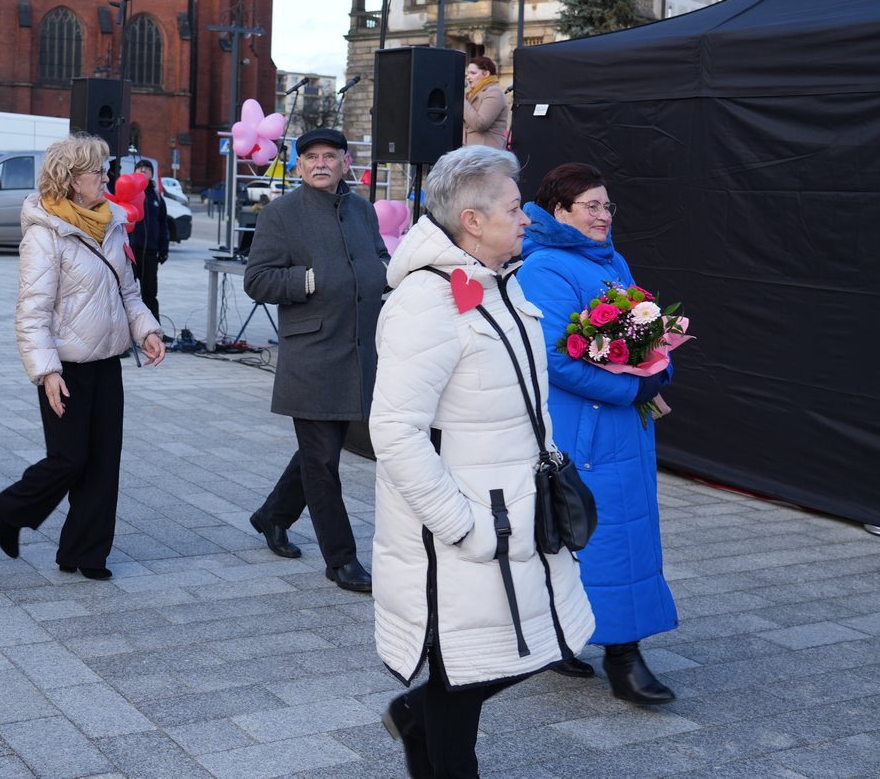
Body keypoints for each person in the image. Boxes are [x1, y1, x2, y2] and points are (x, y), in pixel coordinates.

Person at [372, 146, 595, 779]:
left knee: (520, 649)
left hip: (515, 515)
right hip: (470, 529)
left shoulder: (498, 281)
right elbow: (394, 431)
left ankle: (416, 717)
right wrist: (463, 525)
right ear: (472, 220)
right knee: (465, 673)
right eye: (514, 207)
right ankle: (424, 728)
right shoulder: (426, 301)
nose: (527, 218)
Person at [513, 162, 678, 706]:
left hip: (623, 430)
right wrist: (631, 388)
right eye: (592, 206)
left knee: (620, 536)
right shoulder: (544, 267)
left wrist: (657, 365)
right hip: (583, 434)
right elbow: (556, 358)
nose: (604, 215)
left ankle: (565, 635)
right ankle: (623, 656)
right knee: (604, 540)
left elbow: (645, 330)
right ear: (559, 211)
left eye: (607, 206)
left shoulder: (611, 259)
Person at [0, 133, 165, 579]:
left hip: (107, 362)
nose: (106, 178)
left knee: (104, 462)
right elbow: (32, 312)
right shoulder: (45, 233)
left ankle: (85, 553)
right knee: (69, 459)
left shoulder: (112, 222)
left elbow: (129, 292)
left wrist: (146, 330)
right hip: (65, 367)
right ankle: (13, 509)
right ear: (71, 179)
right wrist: (46, 371)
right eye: (97, 172)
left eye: (105, 170)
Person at [244, 127, 388, 593]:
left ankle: (273, 514)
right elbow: (257, 279)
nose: (320, 163)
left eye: (329, 156)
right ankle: (341, 560)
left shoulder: (362, 210)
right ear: (300, 165)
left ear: (346, 162)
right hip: (311, 356)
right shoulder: (281, 214)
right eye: (311, 157)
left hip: (359, 352)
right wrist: (308, 280)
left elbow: (380, 257)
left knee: (319, 451)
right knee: (323, 459)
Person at [127, 159, 171, 321]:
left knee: (150, 294)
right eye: (140, 167)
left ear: (152, 174)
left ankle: (154, 328)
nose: (143, 170)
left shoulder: (157, 198)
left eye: (147, 168)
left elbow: (163, 225)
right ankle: (127, 329)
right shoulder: (129, 193)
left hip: (150, 253)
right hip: (131, 253)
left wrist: (164, 249)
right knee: (127, 294)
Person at [462, 55, 509, 149]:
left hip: (487, 152)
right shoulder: (472, 94)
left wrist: (461, 99)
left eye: (473, 73)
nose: (468, 77)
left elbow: (480, 124)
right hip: (471, 152)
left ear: (486, 74)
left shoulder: (494, 92)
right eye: (468, 73)